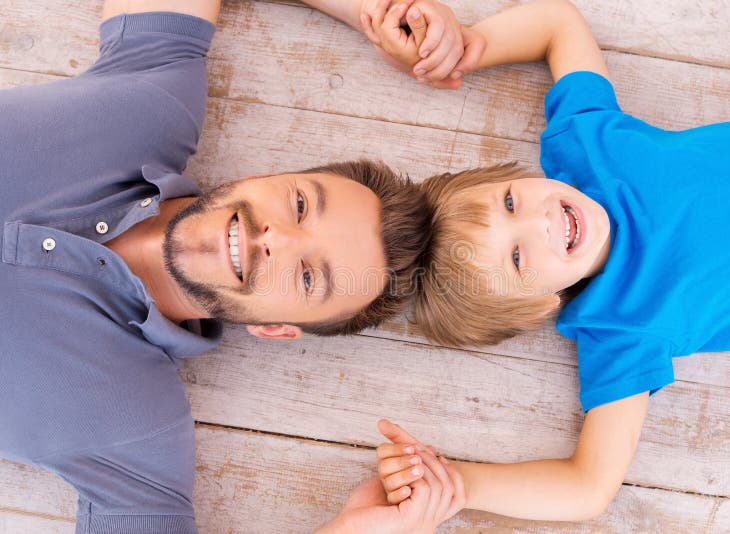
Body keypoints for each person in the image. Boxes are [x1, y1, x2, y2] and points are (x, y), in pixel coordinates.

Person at [0, 0, 474, 531]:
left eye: (308, 275)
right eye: (299, 205)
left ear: (273, 329)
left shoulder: (135, 430)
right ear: (272, 175)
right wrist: (370, 10)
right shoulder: (148, 107)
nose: (277, 238)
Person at [363, 0, 730, 524]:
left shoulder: (585, 149)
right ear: (537, 305)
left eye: (509, 202)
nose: (540, 220)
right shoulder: (619, 328)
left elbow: (557, 23)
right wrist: (461, 483)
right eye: (520, 257)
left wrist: (470, 44)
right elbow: (587, 488)